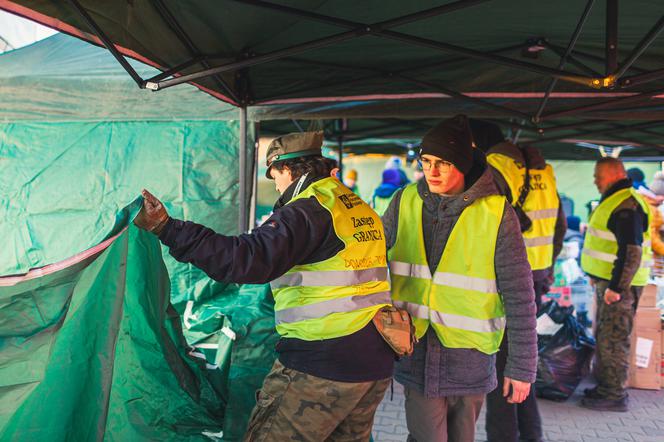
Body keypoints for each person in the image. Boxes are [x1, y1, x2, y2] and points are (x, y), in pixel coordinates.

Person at [134, 131, 395, 441]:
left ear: (287, 169)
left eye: (275, 177)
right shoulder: (354, 205)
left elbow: (247, 260)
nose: (276, 186)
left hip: (323, 362)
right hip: (373, 358)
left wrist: (168, 228)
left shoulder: (308, 210)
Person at [381, 115, 538, 442]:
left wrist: (522, 368)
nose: (432, 171)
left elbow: (520, 295)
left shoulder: (497, 213)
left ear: (464, 164)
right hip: (416, 352)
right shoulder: (405, 201)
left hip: (470, 360)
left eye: (443, 163)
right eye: (426, 161)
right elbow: (373, 264)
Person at [477, 132, 567, 442]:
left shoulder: (499, 168)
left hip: (508, 281)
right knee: (522, 364)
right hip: (538, 277)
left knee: (503, 367)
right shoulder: (546, 173)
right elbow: (561, 228)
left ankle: (502, 436)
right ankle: (532, 434)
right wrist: (549, 266)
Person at [580, 157, 651, 412]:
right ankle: (606, 387)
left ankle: (614, 394)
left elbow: (631, 251)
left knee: (613, 339)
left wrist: (616, 289)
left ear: (614, 174)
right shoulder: (617, 200)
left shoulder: (625, 205)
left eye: (598, 176)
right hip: (612, 283)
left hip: (620, 287)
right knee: (606, 337)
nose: (595, 181)